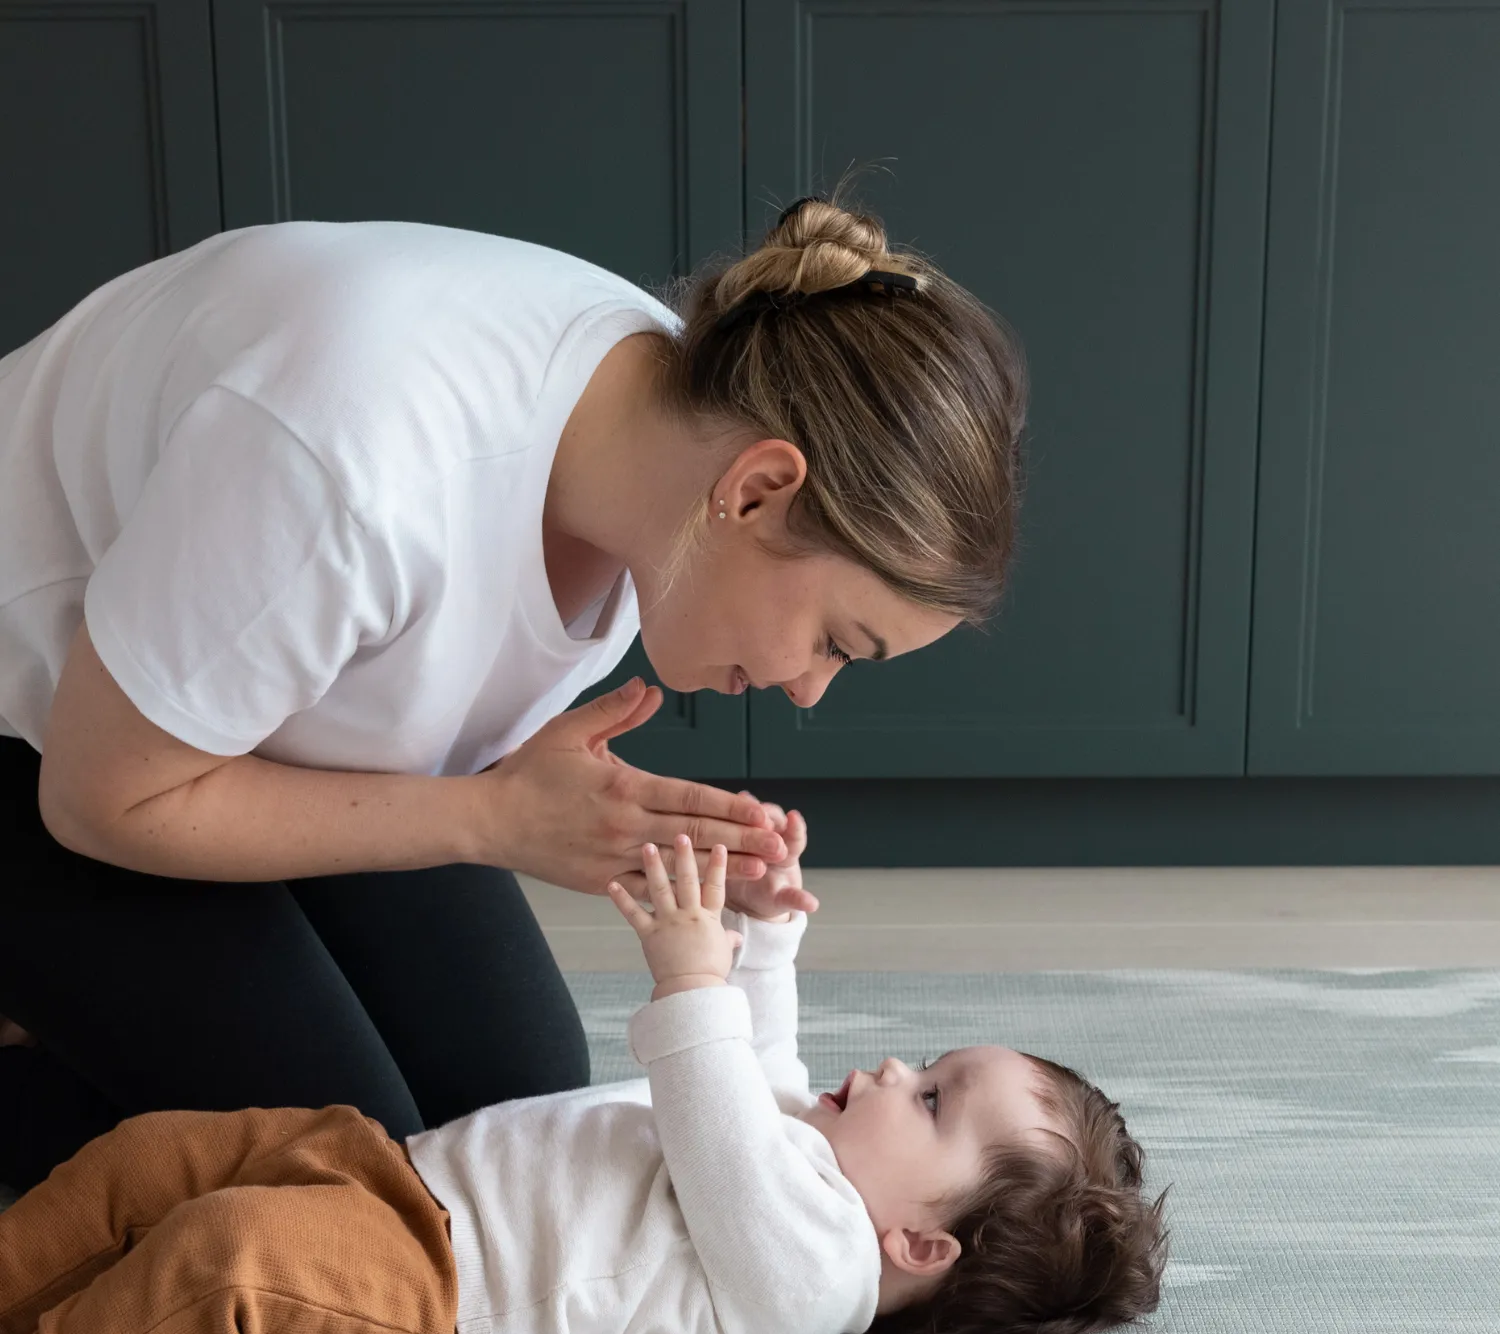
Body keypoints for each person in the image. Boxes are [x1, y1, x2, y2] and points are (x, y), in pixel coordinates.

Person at [0, 194, 1027, 1192]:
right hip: (52, 744)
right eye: (836, 642)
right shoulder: (354, 464)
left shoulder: (676, 438)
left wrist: (583, 817)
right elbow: (103, 799)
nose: (808, 692)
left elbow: (416, 666)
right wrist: (491, 817)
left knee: (510, 1110)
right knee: (360, 1175)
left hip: (220, 725)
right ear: (756, 491)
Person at [0, 812, 1167, 1334]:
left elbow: (716, 1118)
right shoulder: (804, 1162)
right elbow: (760, 1072)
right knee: (151, 1158)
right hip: (391, 1172)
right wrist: (761, 939)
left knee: (230, 1252)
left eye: (930, 1103)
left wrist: (691, 972)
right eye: (931, 1061)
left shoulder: (811, 1274)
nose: (899, 1070)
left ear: (921, 1248)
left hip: (432, 1298)